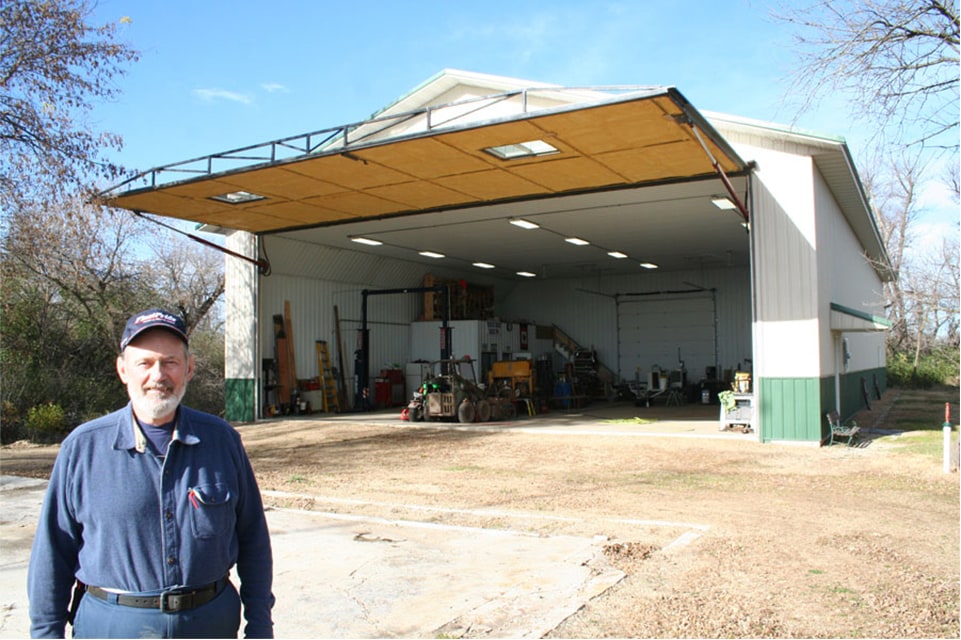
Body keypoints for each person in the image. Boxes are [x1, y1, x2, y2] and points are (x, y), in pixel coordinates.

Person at [28, 308, 275, 638]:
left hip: (210, 624)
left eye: (170, 362)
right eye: (144, 363)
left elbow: (253, 541)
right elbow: (52, 554)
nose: (158, 375)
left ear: (189, 368)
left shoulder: (222, 441)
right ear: (122, 370)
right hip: (112, 625)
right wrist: (46, 633)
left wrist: (261, 627)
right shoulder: (83, 448)